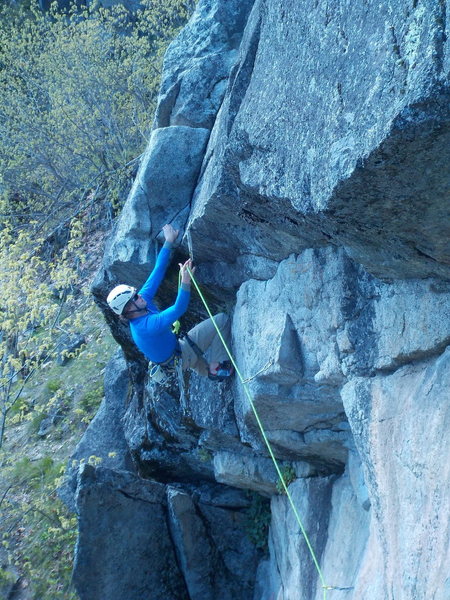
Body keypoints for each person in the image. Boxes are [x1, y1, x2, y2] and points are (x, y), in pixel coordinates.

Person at [106, 224, 234, 381]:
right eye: (134, 298)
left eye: (135, 294)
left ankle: (204, 368)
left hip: (174, 356)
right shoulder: (146, 326)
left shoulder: (141, 302)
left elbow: (157, 271)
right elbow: (179, 308)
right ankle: (218, 368)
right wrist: (185, 281)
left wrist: (169, 241)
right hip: (180, 354)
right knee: (221, 320)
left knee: (188, 352)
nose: (139, 296)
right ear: (128, 310)